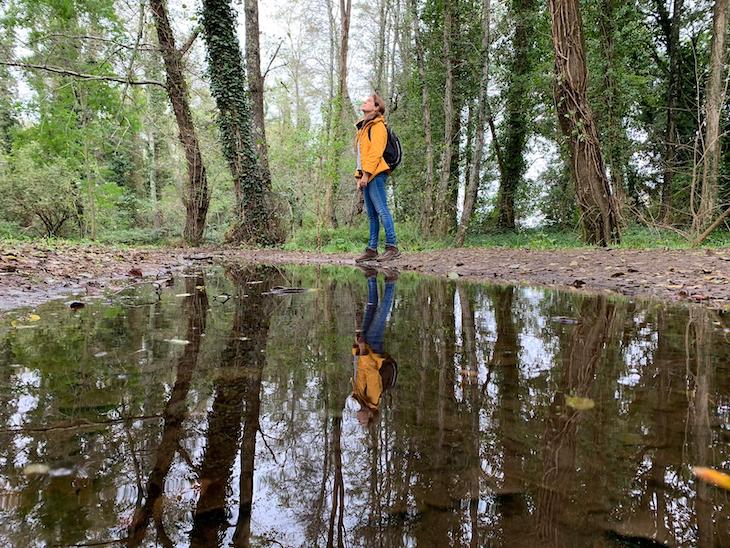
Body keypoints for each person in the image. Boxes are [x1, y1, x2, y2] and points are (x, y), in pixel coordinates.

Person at [354, 94, 401, 263]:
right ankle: (372, 249)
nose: (364, 101)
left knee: (382, 210)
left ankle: (392, 246)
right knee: (372, 215)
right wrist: (359, 176)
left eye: (368, 101)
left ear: (376, 108)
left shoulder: (378, 126)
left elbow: (375, 152)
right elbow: (362, 155)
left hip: (376, 174)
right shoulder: (364, 128)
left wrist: (366, 174)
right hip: (366, 175)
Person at [350, 267, 399, 426]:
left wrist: (357, 348)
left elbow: (358, 370)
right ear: (371, 415)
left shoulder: (359, 398)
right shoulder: (373, 396)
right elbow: (370, 370)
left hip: (365, 349)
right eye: (362, 420)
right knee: (381, 313)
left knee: (370, 308)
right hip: (372, 349)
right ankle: (391, 281)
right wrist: (363, 349)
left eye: (359, 420)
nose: (359, 418)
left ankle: (371, 278)